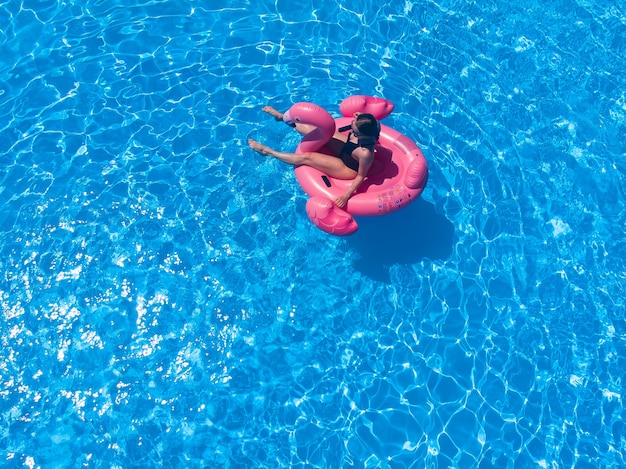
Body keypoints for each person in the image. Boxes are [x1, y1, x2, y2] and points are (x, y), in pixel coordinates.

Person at [248, 106, 379, 208]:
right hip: (347, 148)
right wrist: (360, 117)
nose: (351, 126)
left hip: (349, 167)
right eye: (353, 122)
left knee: (306, 157)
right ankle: (282, 117)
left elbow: (361, 176)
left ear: (362, 134)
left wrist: (346, 195)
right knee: (319, 133)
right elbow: (372, 121)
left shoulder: (365, 153)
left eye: (354, 128)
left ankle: (268, 152)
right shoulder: (372, 126)